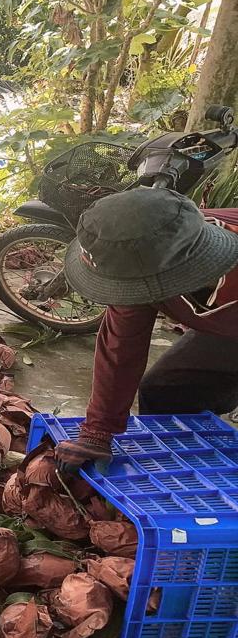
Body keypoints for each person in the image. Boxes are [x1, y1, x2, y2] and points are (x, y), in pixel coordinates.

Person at [55, 187, 238, 472]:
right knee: (166, 391)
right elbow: (121, 347)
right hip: (224, 326)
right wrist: (97, 431)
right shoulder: (143, 255)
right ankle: (186, 480)